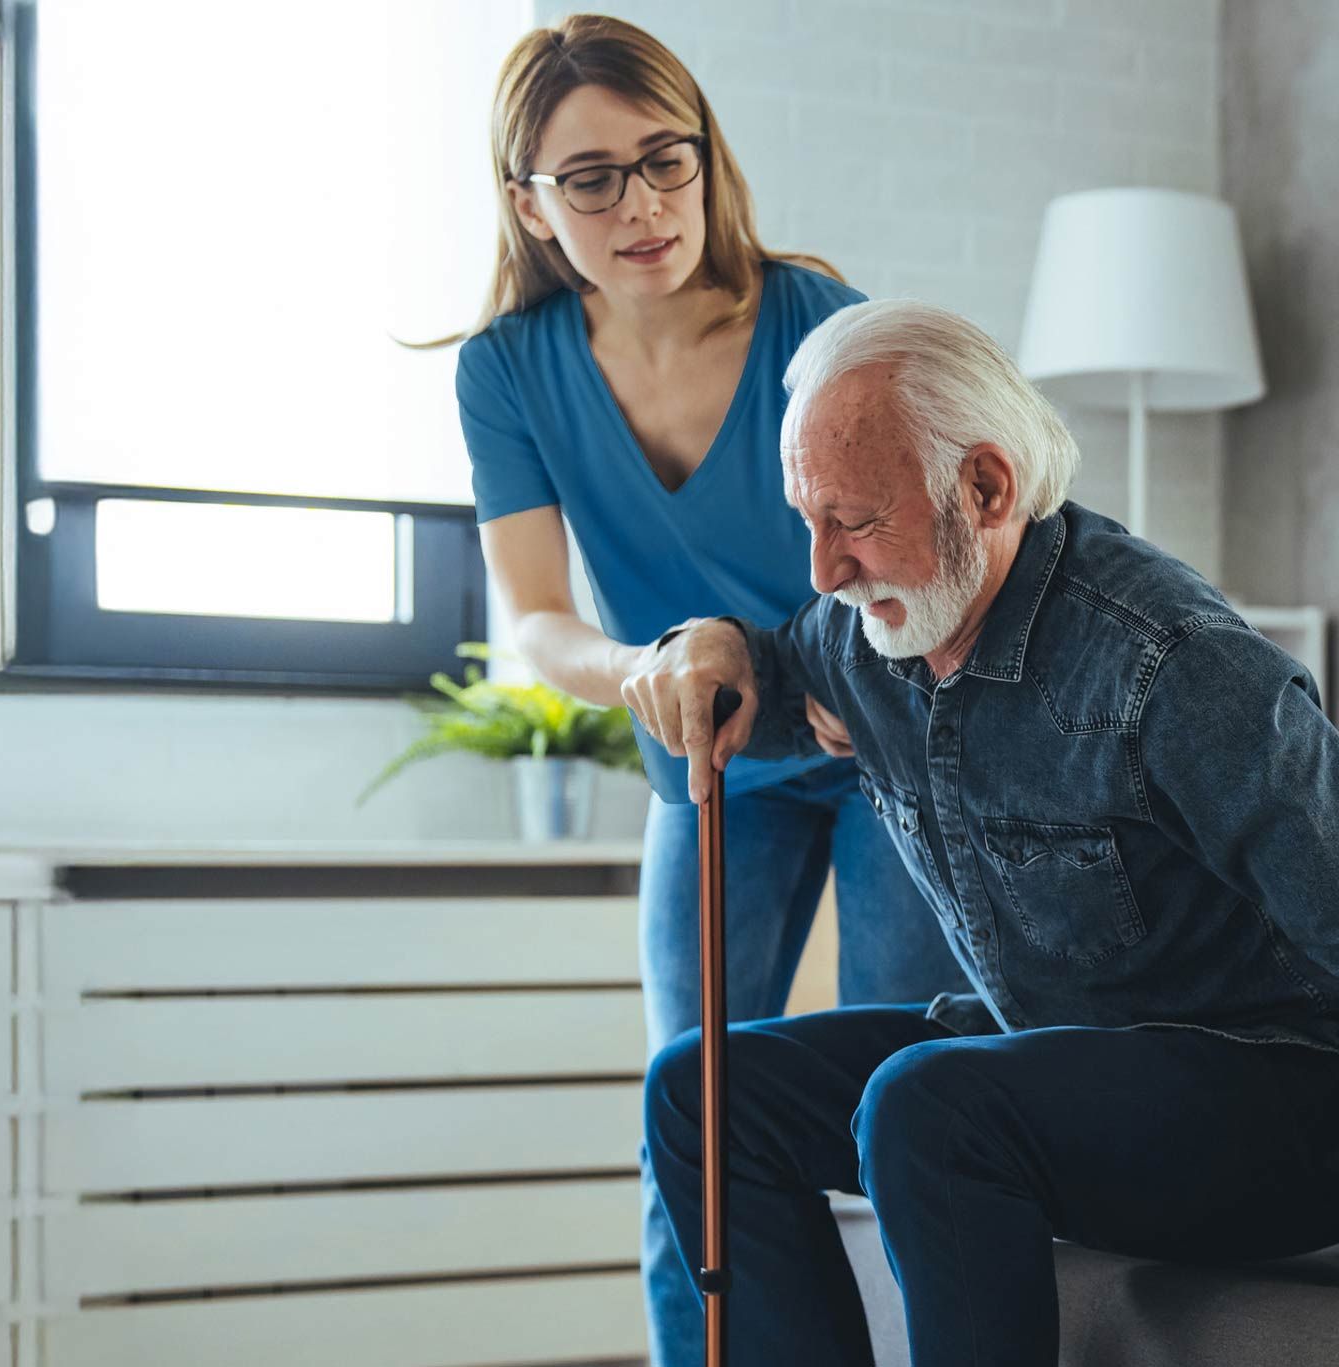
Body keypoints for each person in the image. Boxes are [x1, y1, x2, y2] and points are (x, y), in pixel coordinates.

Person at [624, 299, 1339, 1365]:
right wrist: (705, 644)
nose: (823, 569)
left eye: (856, 521)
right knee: (701, 1089)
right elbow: (766, 680)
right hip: (1052, 1058)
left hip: (1284, 1100)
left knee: (926, 1106)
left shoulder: (1172, 664)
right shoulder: (871, 634)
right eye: (805, 518)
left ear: (986, 487)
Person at [440, 18, 964, 1366]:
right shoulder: (507, 370)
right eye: (591, 177)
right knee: (695, 1109)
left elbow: (903, 555)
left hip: (879, 744)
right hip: (706, 758)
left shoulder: (817, 320)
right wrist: (649, 666)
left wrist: (841, 666)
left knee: (897, 1092)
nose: (641, 203)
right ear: (529, 203)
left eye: (663, 158)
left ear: (705, 156)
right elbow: (541, 622)